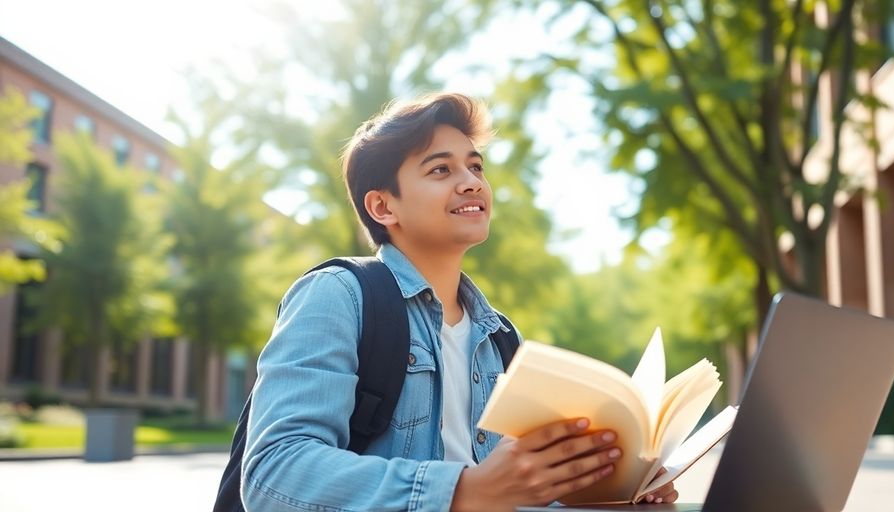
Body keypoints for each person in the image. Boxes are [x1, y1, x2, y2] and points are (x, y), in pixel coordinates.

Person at [240, 92, 678, 511]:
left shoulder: (501, 338)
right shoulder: (338, 295)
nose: (471, 183)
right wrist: (461, 490)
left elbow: (510, 492)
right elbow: (275, 472)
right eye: (440, 170)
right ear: (382, 206)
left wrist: (613, 486)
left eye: (475, 167)